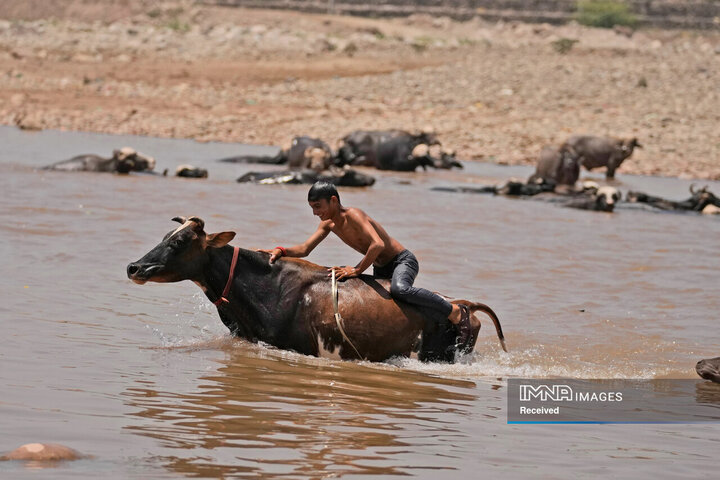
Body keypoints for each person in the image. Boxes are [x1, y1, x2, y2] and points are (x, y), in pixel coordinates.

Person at [259, 181, 472, 344]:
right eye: (311, 208)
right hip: (380, 267)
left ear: (333, 200)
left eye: (318, 206)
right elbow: (305, 249)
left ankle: (454, 311)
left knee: (400, 289)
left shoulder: (354, 215)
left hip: (401, 261)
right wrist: (280, 250)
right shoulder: (328, 224)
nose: (315, 212)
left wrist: (357, 269)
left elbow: (377, 244)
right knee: (377, 308)